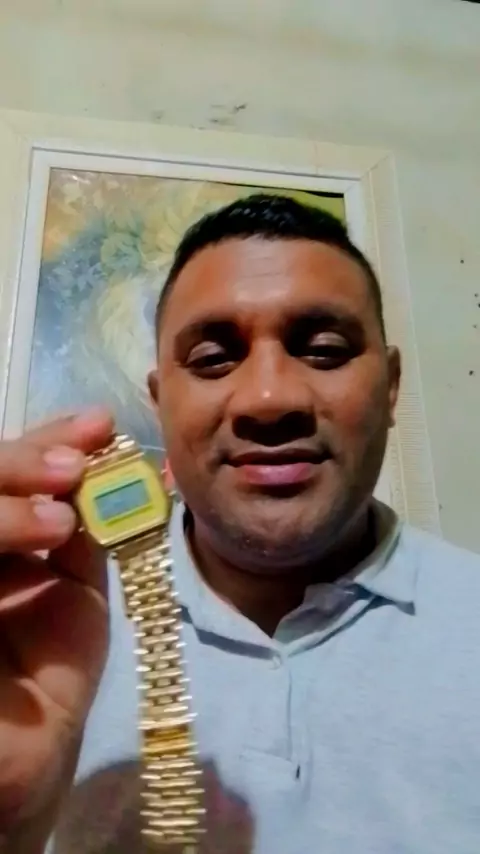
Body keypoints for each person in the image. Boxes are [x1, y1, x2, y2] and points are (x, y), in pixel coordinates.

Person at [1, 194, 479, 854]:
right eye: (212, 360)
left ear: (391, 386)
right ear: (160, 402)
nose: (269, 399)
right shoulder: (37, 628)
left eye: (325, 350)